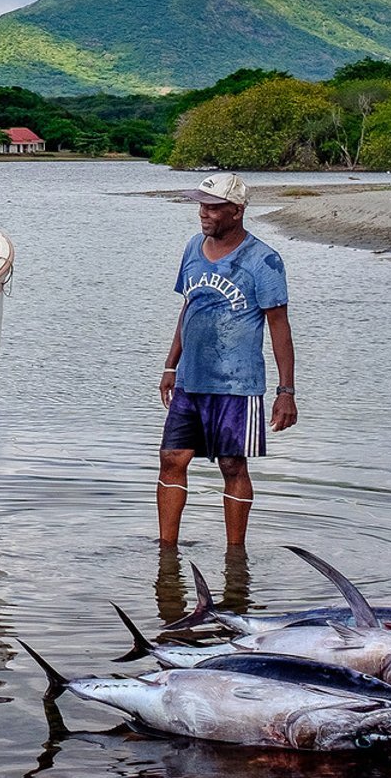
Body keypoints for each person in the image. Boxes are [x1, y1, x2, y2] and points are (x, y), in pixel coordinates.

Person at [156, 172, 297, 546]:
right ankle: (166, 551)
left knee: (232, 464)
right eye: (202, 206)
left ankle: (236, 555)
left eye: (214, 208)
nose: (204, 214)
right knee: (172, 459)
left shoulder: (263, 260)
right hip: (190, 380)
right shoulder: (192, 248)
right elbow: (189, 307)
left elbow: (279, 327)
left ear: (236, 211)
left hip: (237, 384)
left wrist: (286, 391)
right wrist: (171, 365)